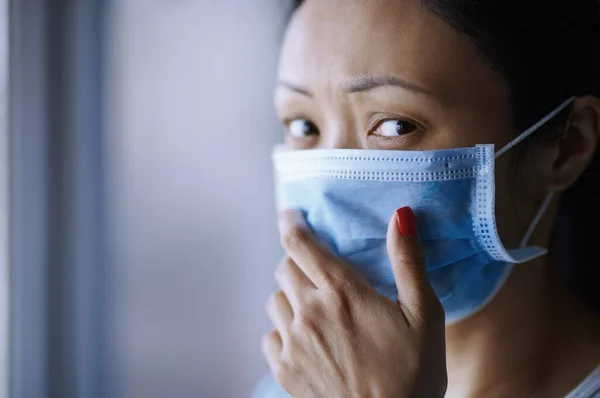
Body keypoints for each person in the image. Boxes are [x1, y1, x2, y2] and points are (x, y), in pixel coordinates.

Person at [253, 0, 600, 396]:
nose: (329, 192)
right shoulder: (299, 385)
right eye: (304, 125)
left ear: (566, 147)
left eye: (396, 125)